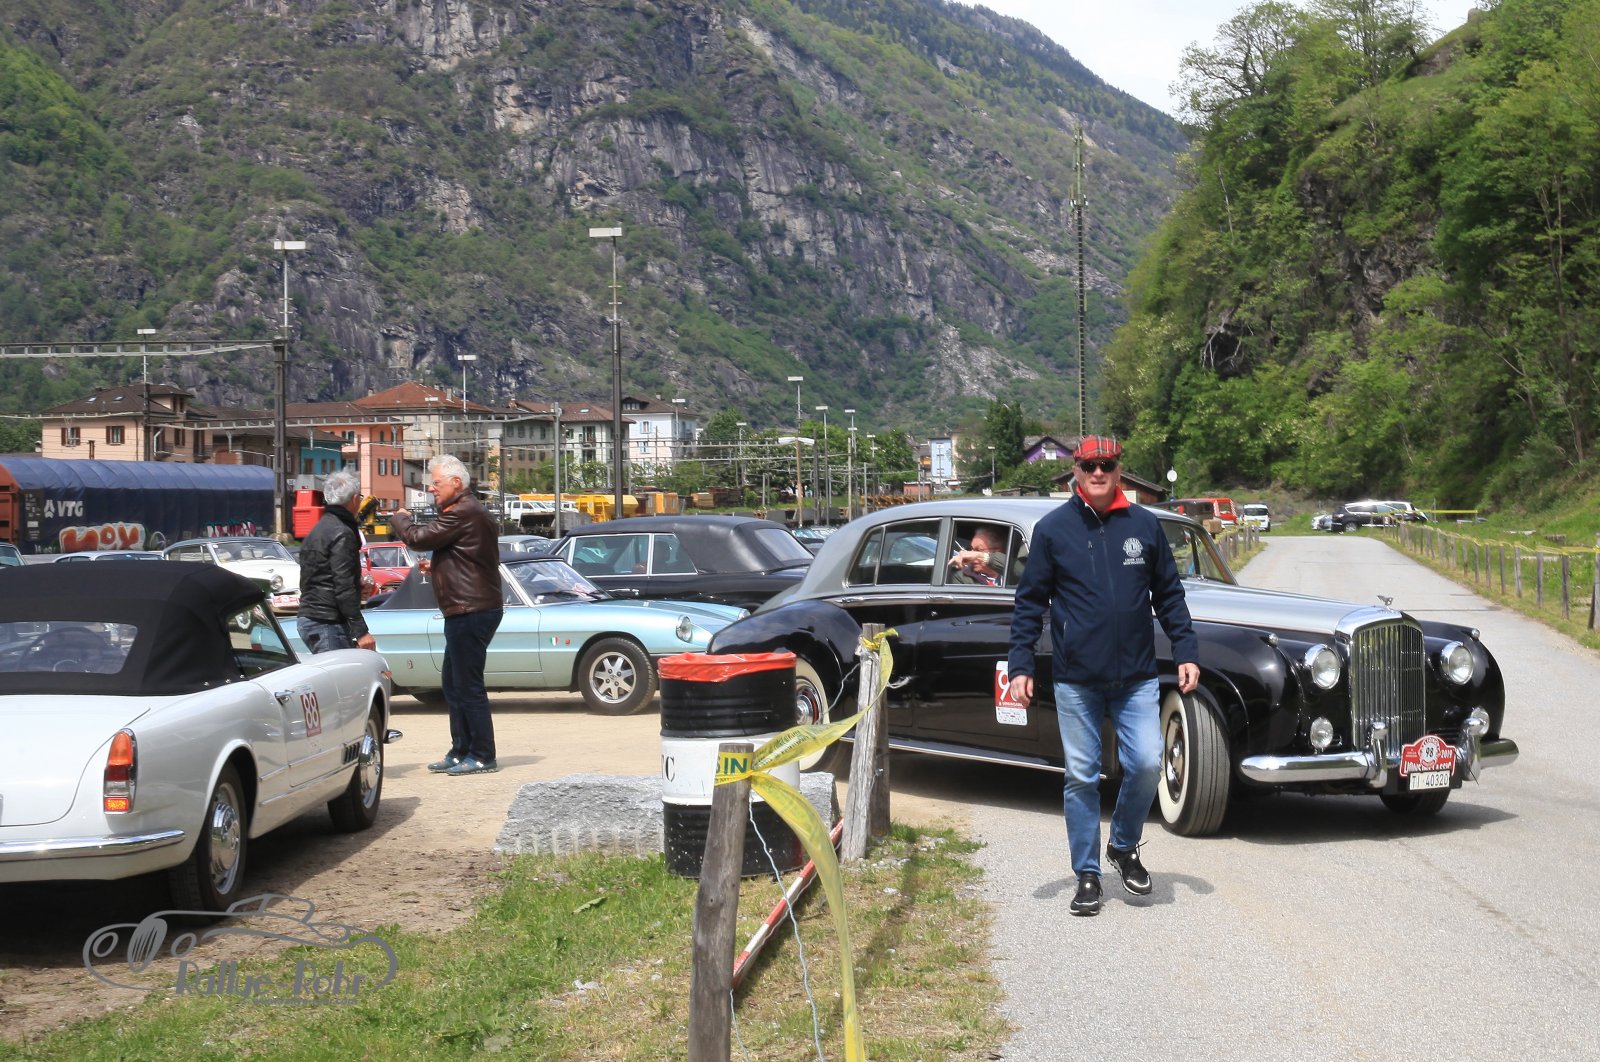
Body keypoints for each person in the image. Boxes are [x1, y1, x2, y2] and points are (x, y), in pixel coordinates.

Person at [1006, 435, 1200, 916]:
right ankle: (1087, 874)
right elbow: (1029, 603)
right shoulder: (1053, 530)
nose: (1098, 473)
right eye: (1090, 465)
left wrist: (1186, 649)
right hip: (1076, 679)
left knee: (1147, 765)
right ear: (1075, 470)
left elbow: (1169, 594)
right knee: (1082, 776)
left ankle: (1124, 845)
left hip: (1137, 675)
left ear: (1118, 471)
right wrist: (1021, 664)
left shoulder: (1144, 526)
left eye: (1106, 465)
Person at [391, 455, 504, 777]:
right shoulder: (465, 512)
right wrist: (438, 565)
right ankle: (461, 750)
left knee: (467, 684)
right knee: (453, 683)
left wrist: (400, 518)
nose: (431, 488)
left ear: (456, 482)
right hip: (467, 607)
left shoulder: (464, 512)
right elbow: (467, 556)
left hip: (471, 608)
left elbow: (418, 538)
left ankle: (482, 754)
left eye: (436, 482)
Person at [296, 467, 378, 655]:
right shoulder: (342, 532)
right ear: (355, 499)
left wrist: (357, 586)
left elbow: (318, 577)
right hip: (327, 621)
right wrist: (361, 631)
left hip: (311, 616)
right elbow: (343, 586)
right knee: (339, 674)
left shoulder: (317, 529)